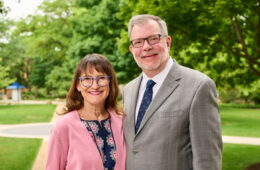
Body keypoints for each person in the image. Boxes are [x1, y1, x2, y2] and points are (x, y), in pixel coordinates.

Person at [122, 14, 222, 170]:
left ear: (167, 42)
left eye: (153, 39)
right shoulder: (128, 90)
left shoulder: (199, 86)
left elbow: (207, 160)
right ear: (132, 49)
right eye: (138, 42)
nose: (146, 47)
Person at [46, 53, 126, 170]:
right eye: (87, 79)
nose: (95, 86)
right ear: (78, 85)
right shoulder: (64, 126)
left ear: (110, 83)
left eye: (101, 78)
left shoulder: (122, 122)